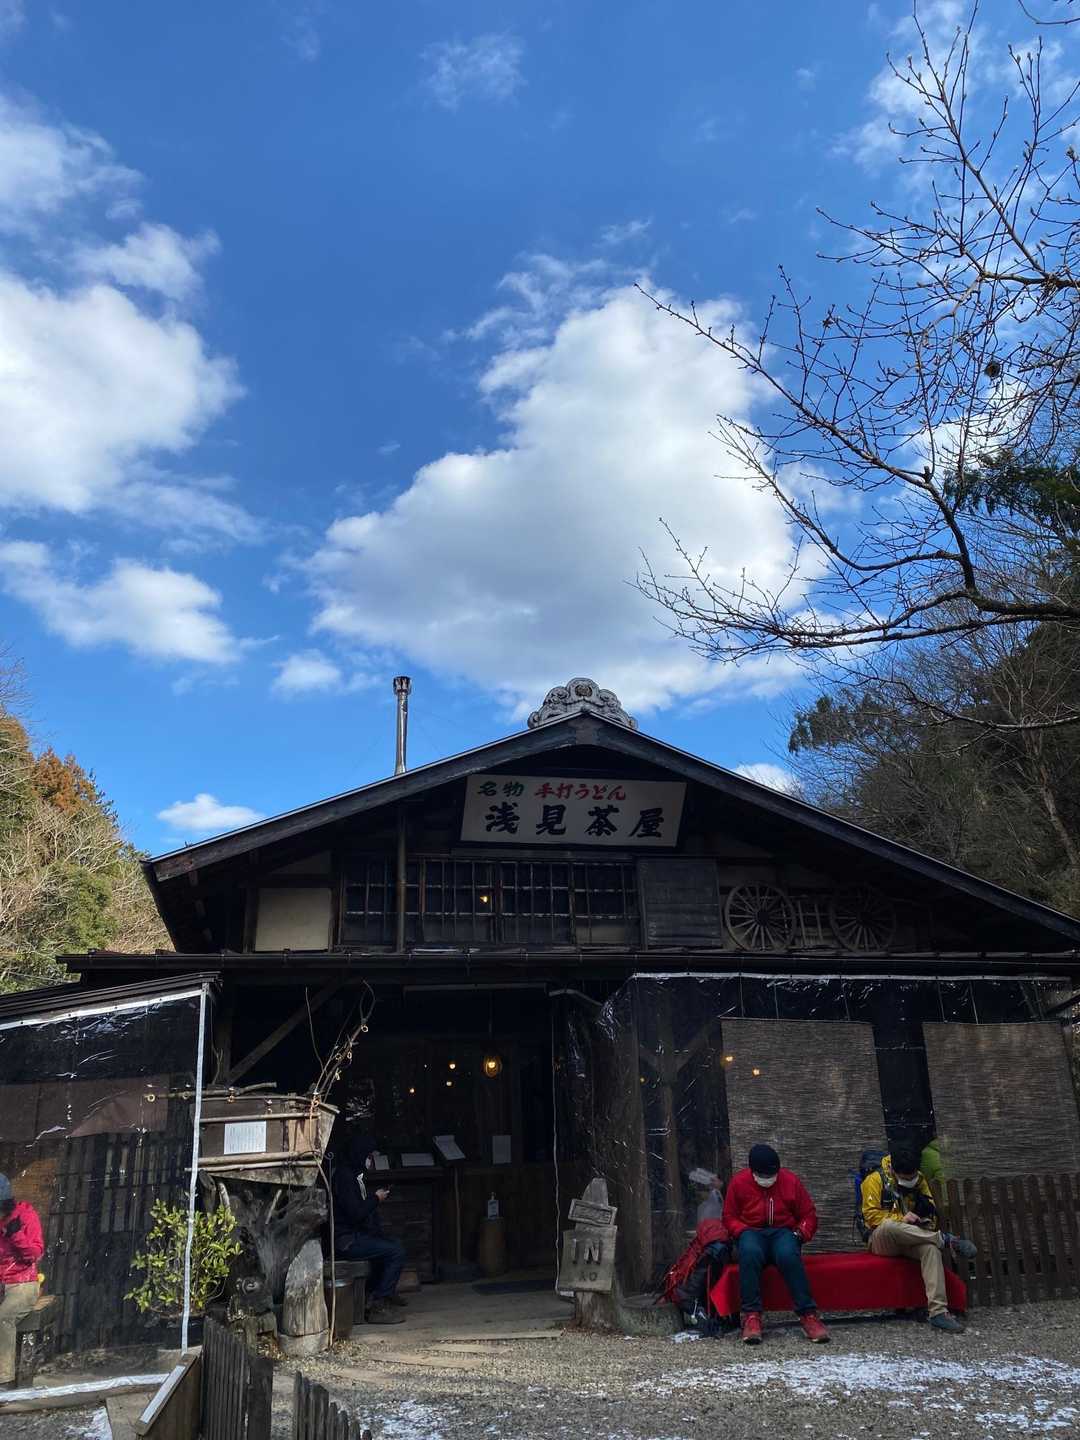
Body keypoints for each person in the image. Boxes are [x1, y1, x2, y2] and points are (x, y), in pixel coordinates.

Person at [860, 1144, 975, 1334]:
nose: (910, 1180)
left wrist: (923, 1221)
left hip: (912, 1236)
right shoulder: (874, 1180)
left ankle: (938, 1312)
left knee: (930, 1249)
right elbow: (870, 1216)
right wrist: (901, 1219)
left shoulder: (919, 1179)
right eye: (906, 1178)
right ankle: (945, 1240)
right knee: (889, 1226)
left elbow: (931, 1211)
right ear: (893, 1170)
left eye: (912, 1176)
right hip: (881, 1239)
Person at [722, 1143, 830, 1345]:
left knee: (788, 1255)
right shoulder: (738, 1183)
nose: (768, 1179)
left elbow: (808, 1214)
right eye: (763, 1175)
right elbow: (729, 1216)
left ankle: (808, 1315)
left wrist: (800, 1234)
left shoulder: (790, 1181)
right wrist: (741, 1231)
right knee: (749, 1252)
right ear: (752, 1171)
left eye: (772, 1175)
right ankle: (751, 1316)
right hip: (751, 1231)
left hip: (783, 1231)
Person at [330, 1129, 407, 1325]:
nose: (371, 1160)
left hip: (355, 1236)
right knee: (395, 1251)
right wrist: (375, 1198)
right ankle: (378, 1305)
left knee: (393, 1244)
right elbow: (355, 1213)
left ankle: (379, 1294)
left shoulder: (354, 1175)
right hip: (346, 1240)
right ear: (359, 1153)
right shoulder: (344, 1178)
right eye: (369, 1156)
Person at [0, 1173, 45, 1386]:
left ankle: (4, 1379)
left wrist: (16, 1235)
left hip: (22, 1282)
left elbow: (35, 1253)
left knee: (3, 1317)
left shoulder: (25, 1215)